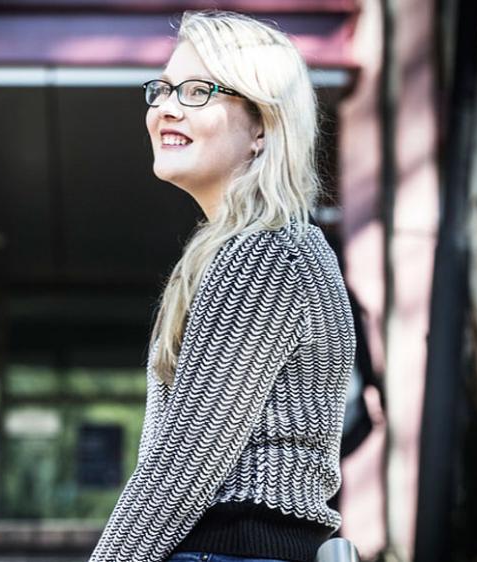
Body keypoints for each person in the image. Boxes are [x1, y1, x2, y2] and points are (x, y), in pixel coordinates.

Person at [90, 11, 356, 562]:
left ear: (262, 125)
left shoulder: (267, 254)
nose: (165, 107)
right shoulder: (237, 251)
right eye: (161, 89)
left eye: (196, 90)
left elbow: (182, 463)